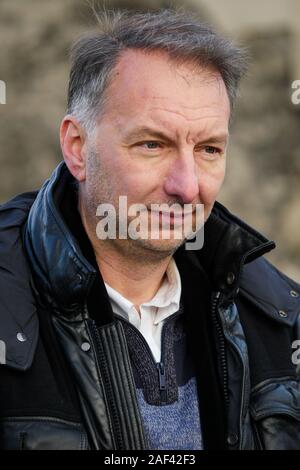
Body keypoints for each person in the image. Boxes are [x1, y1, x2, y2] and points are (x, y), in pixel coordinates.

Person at [0, 9, 299, 451]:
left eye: (209, 149)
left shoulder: (281, 319)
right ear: (77, 148)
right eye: (152, 144)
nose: (187, 185)